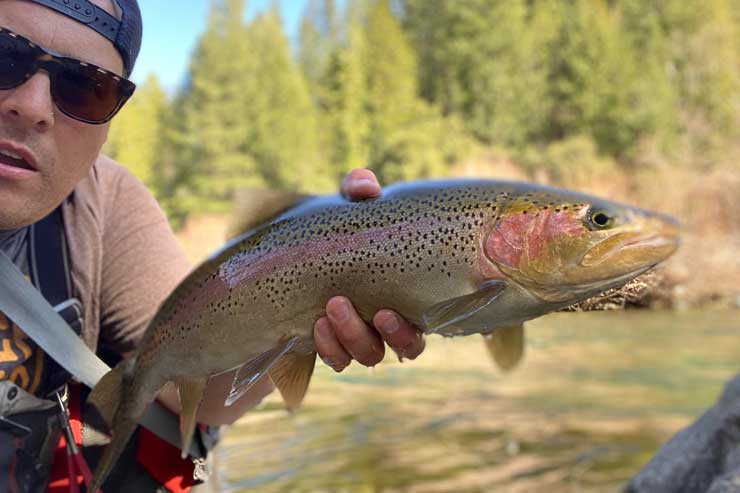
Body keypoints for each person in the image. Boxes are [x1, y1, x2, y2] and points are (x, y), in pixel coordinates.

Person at [0, 0, 425, 491]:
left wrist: (307, 290)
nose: (31, 107)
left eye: (83, 87)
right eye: (6, 56)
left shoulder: (106, 203)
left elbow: (194, 392)